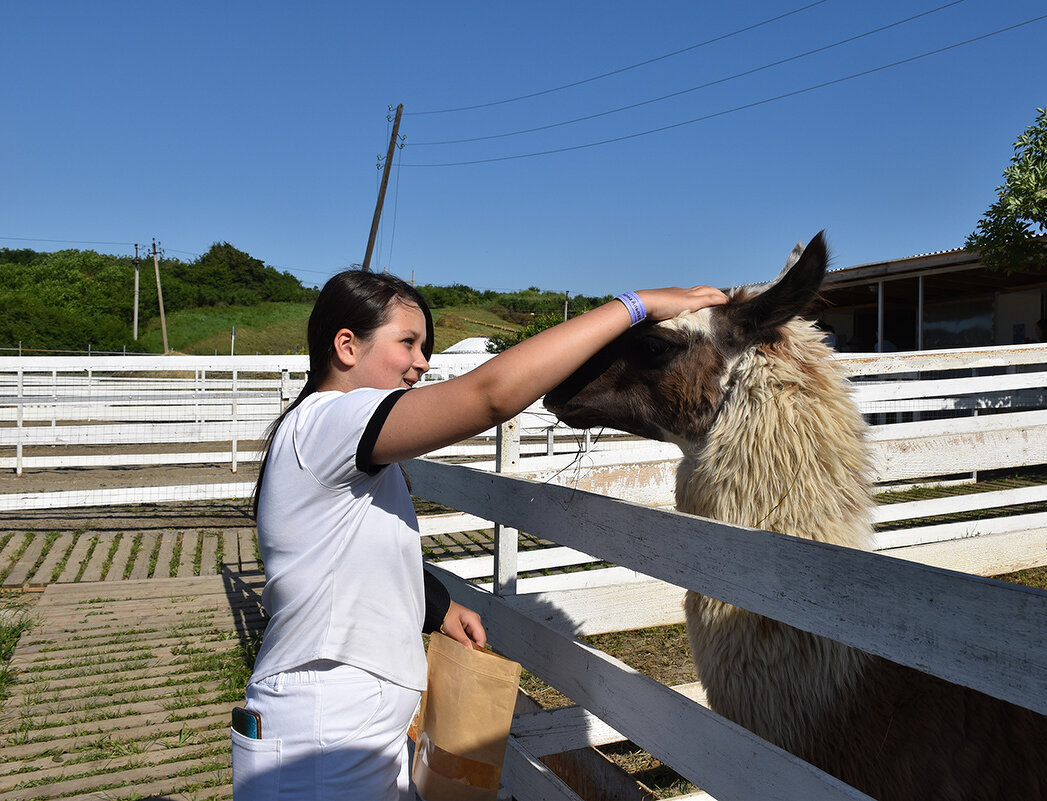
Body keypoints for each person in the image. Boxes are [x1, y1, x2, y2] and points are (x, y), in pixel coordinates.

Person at [232, 270, 727, 801]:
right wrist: (637, 305)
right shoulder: (332, 421)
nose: (422, 362)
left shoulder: (325, 432)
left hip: (347, 723)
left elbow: (344, 551)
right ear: (347, 346)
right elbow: (491, 396)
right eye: (408, 342)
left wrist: (436, 604)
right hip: (322, 737)